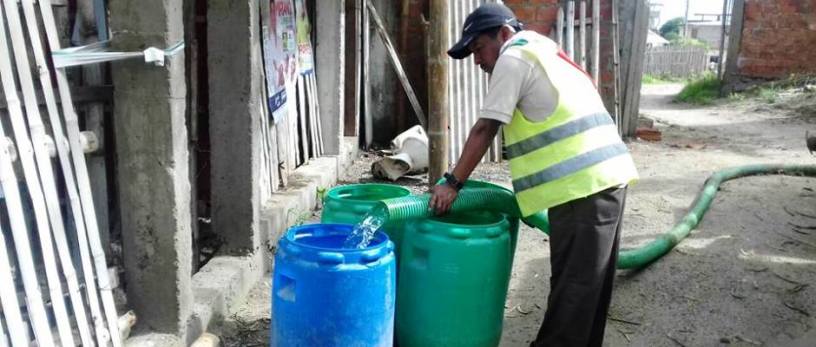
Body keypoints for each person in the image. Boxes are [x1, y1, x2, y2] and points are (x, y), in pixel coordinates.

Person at [429, 3, 639, 346]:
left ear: (504, 33)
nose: (477, 60)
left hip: (583, 187)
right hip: (604, 178)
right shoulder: (542, 47)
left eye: (479, 48)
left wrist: (452, 183)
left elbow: (485, 128)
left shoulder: (513, 57)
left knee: (574, 293)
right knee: (588, 291)